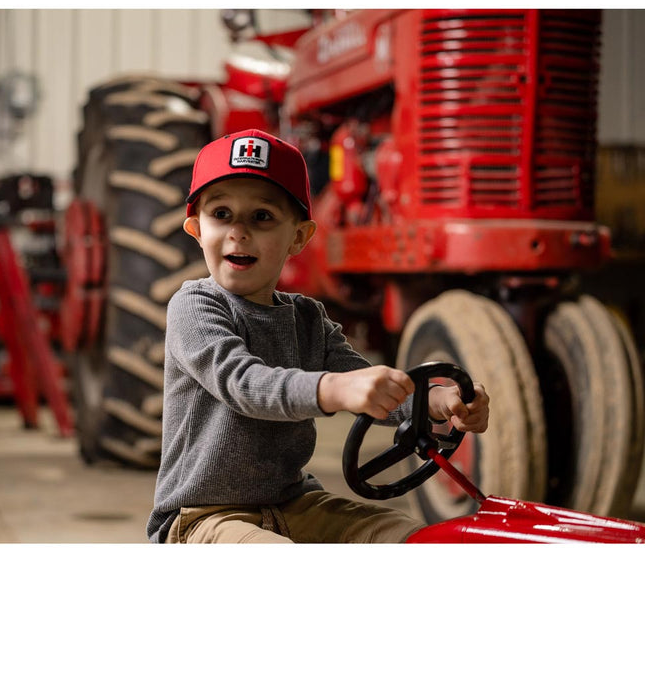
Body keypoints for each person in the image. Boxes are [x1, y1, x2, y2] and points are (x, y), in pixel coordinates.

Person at [147, 129, 489, 543]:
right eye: (221, 214)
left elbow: (374, 386)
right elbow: (245, 383)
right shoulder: (195, 307)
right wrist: (334, 389)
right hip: (204, 516)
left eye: (262, 217)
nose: (238, 231)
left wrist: (435, 402)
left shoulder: (308, 318)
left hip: (293, 503)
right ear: (196, 229)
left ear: (299, 237)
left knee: (415, 540)